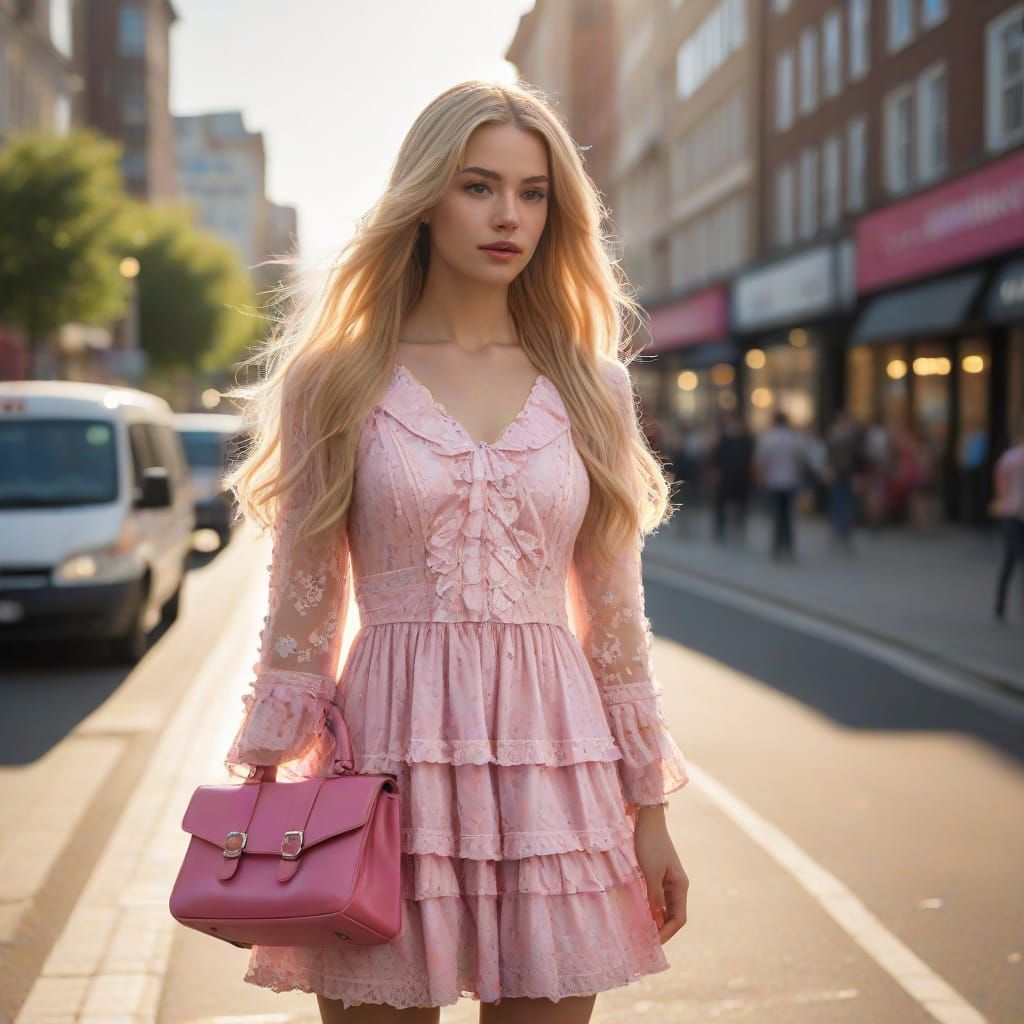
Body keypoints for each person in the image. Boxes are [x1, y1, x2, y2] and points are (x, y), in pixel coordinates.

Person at [219, 81, 690, 1023]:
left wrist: (651, 812)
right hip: (388, 762)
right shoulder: (337, 378)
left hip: (555, 768)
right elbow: (302, 607)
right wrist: (262, 800)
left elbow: (615, 620)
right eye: (480, 186)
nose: (509, 215)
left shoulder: (592, 384)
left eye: (533, 193)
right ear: (426, 198)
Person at [753, 409, 810, 561]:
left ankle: (777, 545)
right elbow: (802, 458)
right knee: (788, 515)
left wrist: (760, 478)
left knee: (777, 515)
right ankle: (788, 545)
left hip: (774, 481)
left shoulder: (769, 438)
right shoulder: (794, 438)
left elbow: (760, 460)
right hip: (791, 481)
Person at [991, 421, 1024, 621]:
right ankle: (1000, 604)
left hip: (1012, 512)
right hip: (1012, 513)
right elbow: (1001, 484)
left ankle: (1001, 604)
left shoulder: (1009, 459)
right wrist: (1003, 501)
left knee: (1011, 560)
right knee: (1012, 559)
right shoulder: (1011, 459)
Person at [822, 408, 865, 552]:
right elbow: (828, 454)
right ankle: (838, 531)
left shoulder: (853, 435)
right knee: (837, 502)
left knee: (847, 503)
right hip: (837, 473)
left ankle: (845, 531)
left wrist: (858, 474)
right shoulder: (835, 434)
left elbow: (858, 457)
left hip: (848, 473)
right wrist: (828, 469)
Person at [708, 408, 753, 544]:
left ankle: (738, 526)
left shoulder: (746, 438)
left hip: (740, 475)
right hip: (725, 474)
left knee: (740, 503)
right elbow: (715, 455)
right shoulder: (722, 436)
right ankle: (721, 528)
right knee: (721, 502)